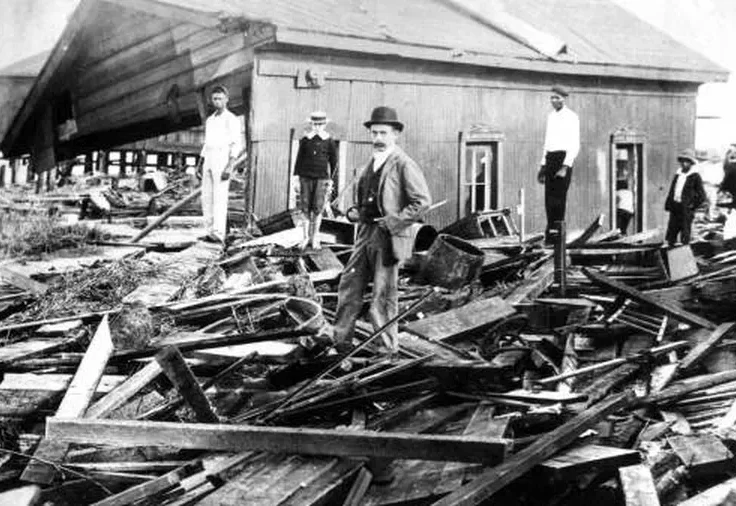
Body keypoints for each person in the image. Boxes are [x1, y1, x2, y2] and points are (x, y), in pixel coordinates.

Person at [332, 106, 431, 354]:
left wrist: (394, 221)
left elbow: (422, 202)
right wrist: (354, 211)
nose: (377, 138)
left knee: (383, 295)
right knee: (349, 286)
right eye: (374, 133)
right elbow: (367, 197)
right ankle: (340, 343)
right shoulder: (371, 163)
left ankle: (386, 350)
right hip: (365, 233)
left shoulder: (403, 164)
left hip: (387, 238)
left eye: (383, 133)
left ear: (395, 134)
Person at [198, 85, 242, 244]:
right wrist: (200, 163)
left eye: (220, 99)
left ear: (226, 100)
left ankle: (218, 233)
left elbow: (236, 144)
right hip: (209, 158)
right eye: (214, 99)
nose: (217, 101)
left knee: (219, 197)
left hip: (222, 158)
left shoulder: (232, 119)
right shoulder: (210, 120)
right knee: (207, 196)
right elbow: (206, 143)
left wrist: (230, 166)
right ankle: (208, 231)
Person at [537, 86, 580, 244]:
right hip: (550, 158)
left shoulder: (571, 117)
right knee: (548, 198)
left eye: (557, 98)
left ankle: (557, 234)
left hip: (563, 158)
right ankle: (550, 233)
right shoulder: (550, 117)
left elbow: (574, 144)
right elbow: (547, 142)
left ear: (564, 98)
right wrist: (543, 165)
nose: (554, 101)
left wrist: (565, 166)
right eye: (552, 98)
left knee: (559, 198)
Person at [294, 111, 339, 249]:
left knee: (318, 208)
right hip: (305, 178)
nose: (317, 127)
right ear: (311, 124)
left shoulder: (329, 141)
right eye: (315, 124)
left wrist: (331, 180)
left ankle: (315, 238)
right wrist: (296, 178)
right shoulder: (306, 140)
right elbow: (299, 160)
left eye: (320, 124)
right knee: (305, 208)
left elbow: (334, 162)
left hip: (321, 179)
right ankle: (305, 237)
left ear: (325, 125)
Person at [665, 148, 706, 247]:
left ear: (691, 163)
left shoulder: (695, 176)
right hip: (675, 207)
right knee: (672, 232)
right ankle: (670, 253)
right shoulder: (678, 174)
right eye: (682, 161)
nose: (684, 164)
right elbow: (672, 190)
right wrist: (669, 203)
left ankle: (683, 255)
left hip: (686, 209)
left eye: (687, 161)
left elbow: (702, 195)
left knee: (685, 233)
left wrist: (692, 205)